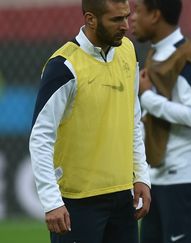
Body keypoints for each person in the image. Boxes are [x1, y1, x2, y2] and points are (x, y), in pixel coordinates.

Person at [29, 0, 151, 242]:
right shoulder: (63, 66)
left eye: (127, 17)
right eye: (117, 19)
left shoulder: (127, 50)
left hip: (122, 197)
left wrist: (141, 176)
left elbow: (133, 118)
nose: (126, 25)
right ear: (90, 19)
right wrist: (52, 202)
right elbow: (41, 137)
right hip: (77, 203)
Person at [130, 1, 191, 243]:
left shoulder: (187, 55)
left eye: (138, 10)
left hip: (185, 174)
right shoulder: (156, 53)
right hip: (158, 174)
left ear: (155, 15)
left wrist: (148, 97)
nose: (131, 17)